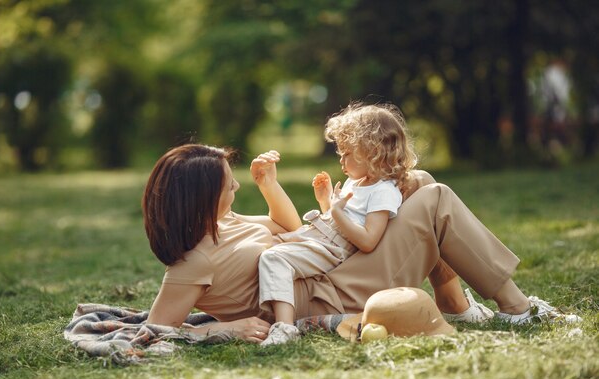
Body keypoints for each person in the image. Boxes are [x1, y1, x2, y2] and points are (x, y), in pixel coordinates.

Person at [143, 115, 579, 345]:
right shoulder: (192, 261)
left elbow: (285, 225)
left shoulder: (226, 222)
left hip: (336, 267)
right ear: (199, 196)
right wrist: (223, 329)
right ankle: (517, 309)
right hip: (336, 294)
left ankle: (454, 303)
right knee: (436, 196)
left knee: (418, 183)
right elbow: (156, 329)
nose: (236, 184)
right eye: (228, 182)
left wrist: (268, 185)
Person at [257, 103, 437, 345]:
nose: (341, 160)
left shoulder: (384, 191)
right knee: (265, 244)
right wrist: (326, 201)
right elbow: (341, 221)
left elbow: (367, 240)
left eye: (346, 153)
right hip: (322, 238)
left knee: (274, 258)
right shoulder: (358, 182)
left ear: (370, 151)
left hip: (333, 248)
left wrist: (336, 212)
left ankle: (285, 328)